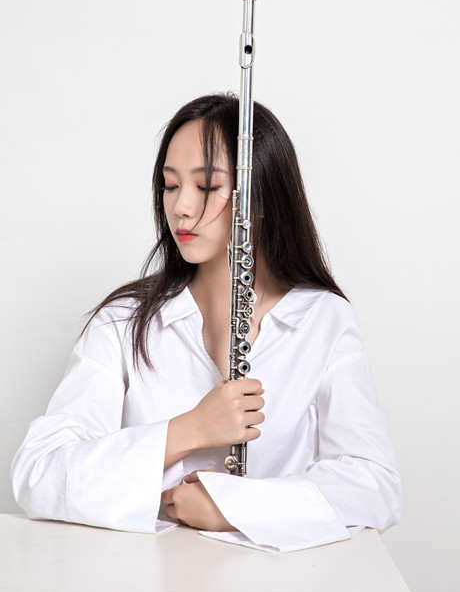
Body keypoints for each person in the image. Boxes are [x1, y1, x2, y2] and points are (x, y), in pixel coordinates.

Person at [11, 93, 401, 552]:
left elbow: (374, 486)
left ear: (259, 199)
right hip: (144, 577)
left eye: (207, 186)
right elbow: (38, 474)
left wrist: (232, 507)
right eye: (170, 185)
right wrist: (190, 430)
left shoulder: (323, 320)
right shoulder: (123, 322)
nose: (180, 206)